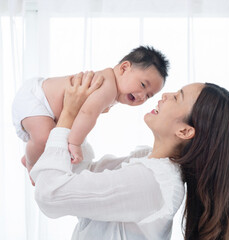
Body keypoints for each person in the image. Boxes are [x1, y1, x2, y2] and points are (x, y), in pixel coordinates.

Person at [30, 72, 229, 240]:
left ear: (185, 131)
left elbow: (50, 195)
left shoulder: (153, 181)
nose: (165, 96)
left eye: (177, 98)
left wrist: (68, 114)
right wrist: (78, 116)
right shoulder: (148, 163)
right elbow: (82, 171)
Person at [12, 46, 169, 184]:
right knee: (43, 138)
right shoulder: (108, 86)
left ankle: (33, 155)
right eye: (142, 85)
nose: (142, 95)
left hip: (49, 110)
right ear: (124, 68)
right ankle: (31, 162)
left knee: (53, 140)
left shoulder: (113, 93)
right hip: (37, 98)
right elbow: (87, 113)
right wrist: (75, 143)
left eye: (148, 96)